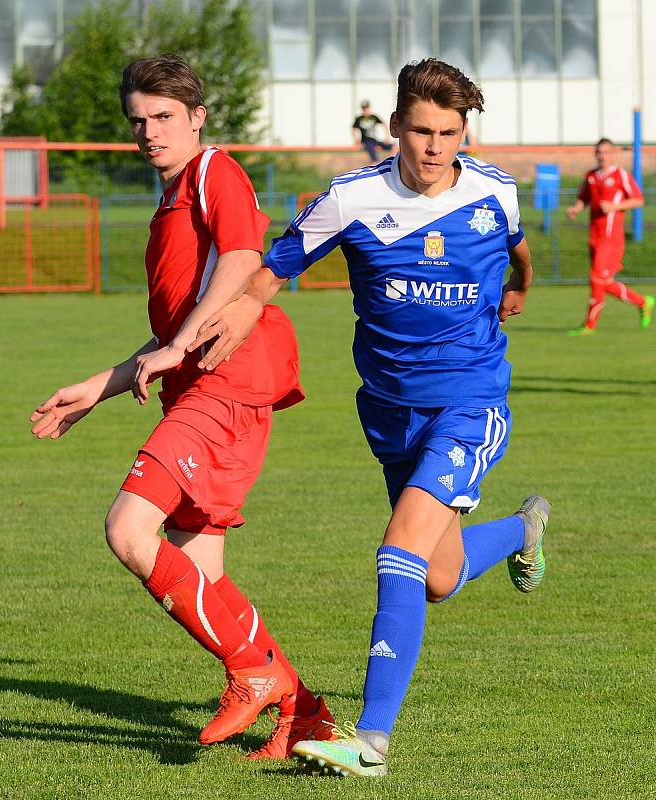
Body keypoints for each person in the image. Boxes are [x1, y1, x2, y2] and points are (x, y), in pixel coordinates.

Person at [186, 58, 551, 777]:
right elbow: (276, 264)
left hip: (470, 402)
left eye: (449, 132)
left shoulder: (493, 190)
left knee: (397, 552)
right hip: (388, 414)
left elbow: (516, 249)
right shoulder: (350, 199)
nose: (435, 146)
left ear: (463, 132)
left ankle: (372, 742)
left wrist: (517, 289)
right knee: (436, 576)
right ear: (394, 128)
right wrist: (246, 303)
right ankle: (523, 529)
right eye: (421, 130)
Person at [29, 55, 335, 760]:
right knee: (204, 575)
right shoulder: (169, 201)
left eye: (163, 116)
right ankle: (304, 712)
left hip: (227, 382)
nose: (148, 132)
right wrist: (98, 387)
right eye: (138, 120)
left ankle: (252, 673)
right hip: (200, 385)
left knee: (130, 530)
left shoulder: (212, 173)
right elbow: (172, 332)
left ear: (197, 117)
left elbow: (240, 258)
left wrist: (182, 344)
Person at [566, 137, 654, 335]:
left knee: (596, 278)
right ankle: (643, 302)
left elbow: (638, 200)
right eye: (599, 152)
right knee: (604, 282)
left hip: (611, 237)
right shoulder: (590, 176)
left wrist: (615, 207)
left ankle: (589, 325)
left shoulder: (621, 175)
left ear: (613, 154)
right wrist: (576, 209)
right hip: (594, 236)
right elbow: (583, 199)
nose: (601, 156)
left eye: (605, 152)